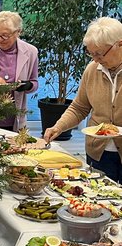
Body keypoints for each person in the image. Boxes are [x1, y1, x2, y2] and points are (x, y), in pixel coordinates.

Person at [44, 17, 122, 182]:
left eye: (99, 54)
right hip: (98, 154)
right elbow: (79, 107)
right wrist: (58, 127)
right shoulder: (92, 70)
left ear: (119, 44)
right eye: (91, 53)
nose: (95, 59)